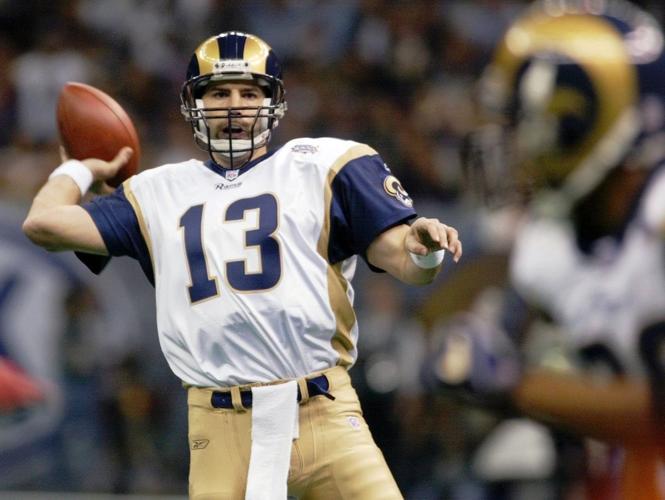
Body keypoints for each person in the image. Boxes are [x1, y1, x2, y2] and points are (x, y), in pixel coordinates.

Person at [22, 31, 463, 499]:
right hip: (219, 425)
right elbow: (44, 224)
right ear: (196, 104)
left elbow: (409, 263)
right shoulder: (157, 191)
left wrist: (423, 247)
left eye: (249, 93)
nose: (234, 105)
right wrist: (82, 166)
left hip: (324, 412)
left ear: (272, 102)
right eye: (219, 92)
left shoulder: (323, 165)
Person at [427, 1, 665, 499]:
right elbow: (479, 340)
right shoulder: (550, 243)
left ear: (589, 119)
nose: (517, 147)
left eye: (528, 123)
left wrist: (515, 385)